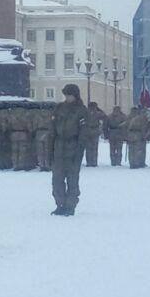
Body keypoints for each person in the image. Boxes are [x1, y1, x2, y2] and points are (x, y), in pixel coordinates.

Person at [51, 85, 89, 216]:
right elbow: (52, 129)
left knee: (72, 180)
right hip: (59, 148)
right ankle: (60, 204)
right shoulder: (59, 108)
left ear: (75, 95)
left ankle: (70, 206)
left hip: (73, 148)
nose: (67, 98)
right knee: (57, 179)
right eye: (66, 95)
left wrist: (79, 151)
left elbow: (84, 133)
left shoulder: (82, 111)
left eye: (69, 95)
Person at [82, 101, 105, 167]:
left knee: (88, 148)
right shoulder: (97, 113)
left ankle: (89, 162)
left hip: (88, 131)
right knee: (94, 148)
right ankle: (94, 162)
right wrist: (99, 109)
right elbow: (104, 115)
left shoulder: (85, 112)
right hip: (94, 131)